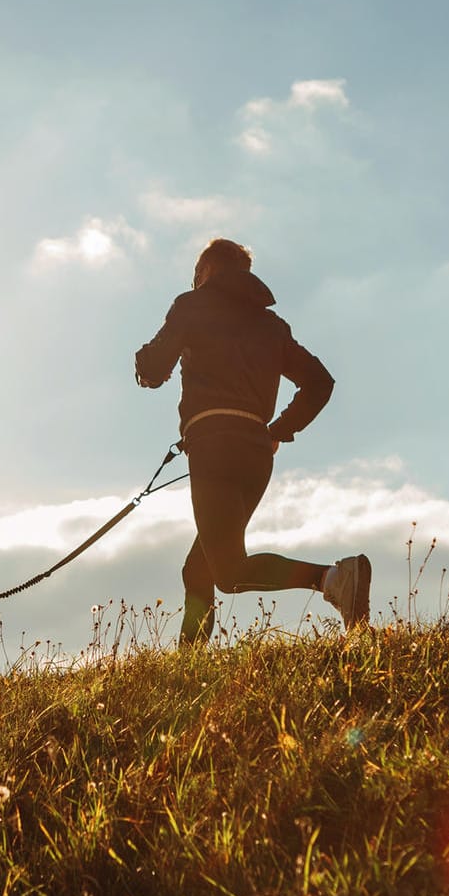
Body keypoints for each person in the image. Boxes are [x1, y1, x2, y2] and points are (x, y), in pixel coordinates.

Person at [135, 238, 370, 645]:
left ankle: (332, 578)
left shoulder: (192, 306)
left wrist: (143, 363)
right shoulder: (271, 326)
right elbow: (320, 382)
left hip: (213, 445)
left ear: (207, 271)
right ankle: (189, 667)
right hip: (256, 452)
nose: (194, 284)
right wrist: (278, 431)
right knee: (199, 569)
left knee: (228, 572)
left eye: (196, 277)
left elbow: (155, 368)